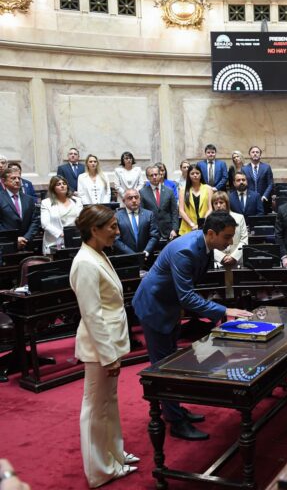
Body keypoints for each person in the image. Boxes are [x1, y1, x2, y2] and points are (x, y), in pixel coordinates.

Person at [133, 212, 251, 440]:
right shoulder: (185, 250)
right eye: (226, 237)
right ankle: (176, 422)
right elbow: (187, 296)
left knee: (172, 361)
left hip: (169, 305)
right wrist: (224, 311)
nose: (229, 242)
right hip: (154, 307)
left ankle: (173, 409)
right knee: (163, 368)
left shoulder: (204, 245)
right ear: (210, 233)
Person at [70, 205, 138, 487]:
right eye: (111, 226)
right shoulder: (85, 261)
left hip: (110, 343)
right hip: (100, 348)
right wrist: (109, 356)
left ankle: (114, 455)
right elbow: (92, 314)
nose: (117, 231)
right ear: (94, 230)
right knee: (95, 409)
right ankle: (99, 470)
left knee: (108, 404)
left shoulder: (97, 254)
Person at [40, 175, 83, 254]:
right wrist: (62, 234)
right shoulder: (46, 203)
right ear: (53, 188)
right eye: (58, 184)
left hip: (75, 240)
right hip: (55, 242)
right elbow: (45, 224)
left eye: (64, 183)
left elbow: (82, 219)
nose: (62, 186)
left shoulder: (77, 201)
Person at [0, 168, 40, 250]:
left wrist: (26, 238)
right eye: (13, 178)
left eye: (19, 178)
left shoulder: (29, 199)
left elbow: (35, 221)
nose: (17, 180)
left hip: (27, 244)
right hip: (6, 244)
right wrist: (15, 239)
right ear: (4, 181)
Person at [112, 188, 159, 257]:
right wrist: (133, 255)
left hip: (147, 257)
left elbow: (154, 236)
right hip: (125, 258)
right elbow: (116, 239)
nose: (134, 200)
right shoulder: (116, 216)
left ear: (140, 199)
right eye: (130, 198)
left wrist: (146, 252)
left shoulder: (149, 214)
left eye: (136, 197)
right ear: (124, 201)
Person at [140, 165, 179, 241]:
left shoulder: (169, 191)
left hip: (168, 232)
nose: (154, 177)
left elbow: (174, 212)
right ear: (147, 177)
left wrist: (174, 229)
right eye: (151, 175)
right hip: (150, 233)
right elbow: (142, 214)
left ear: (160, 175)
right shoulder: (142, 192)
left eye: (156, 174)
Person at [210, 191, 249, 268]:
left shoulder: (239, 218)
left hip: (237, 262)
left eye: (221, 202)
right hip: (218, 263)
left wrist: (233, 257)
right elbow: (209, 243)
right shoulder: (209, 220)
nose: (218, 205)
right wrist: (222, 257)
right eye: (215, 203)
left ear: (227, 204)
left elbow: (244, 240)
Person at [178, 165, 212, 236]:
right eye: (192, 173)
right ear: (189, 175)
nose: (195, 175)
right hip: (188, 227)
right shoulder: (183, 190)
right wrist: (192, 224)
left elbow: (210, 209)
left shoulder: (208, 189)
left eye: (197, 173)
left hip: (205, 227)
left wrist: (201, 224)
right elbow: (181, 210)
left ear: (201, 174)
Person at [243, 145, 273, 213]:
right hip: (249, 200)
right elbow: (244, 185)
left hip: (264, 200)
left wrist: (265, 196)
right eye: (253, 152)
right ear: (250, 155)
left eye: (257, 152)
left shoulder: (266, 167)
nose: (255, 153)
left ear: (260, 155)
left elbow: (270, 184)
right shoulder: (244, 169)